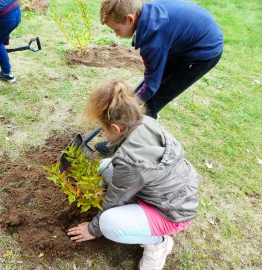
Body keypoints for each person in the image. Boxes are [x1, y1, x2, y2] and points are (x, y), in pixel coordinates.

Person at [68, 80, 200, 270]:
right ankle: (138, 209)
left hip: (172, 213)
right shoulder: (145, 121)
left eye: (104, 129)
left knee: (109, 223)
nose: (103, 134)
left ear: (116, 129)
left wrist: (92, 229)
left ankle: (158, 243)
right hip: (172, 191)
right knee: (105, 166)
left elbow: (114, 201)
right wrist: (106, 189)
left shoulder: (130, 160)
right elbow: (127, 177)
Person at [94, 0, 224, 155]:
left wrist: (130, 104)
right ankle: (127, 135)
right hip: (182, 41)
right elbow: (152, 76)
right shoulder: (147, 13)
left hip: (202, 52)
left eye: (116, 29)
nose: (116, 34)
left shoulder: (154, 42)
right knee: (152, 88)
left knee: (153, 103)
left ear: (130, 19)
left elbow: (151, 87)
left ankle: (125, 145)